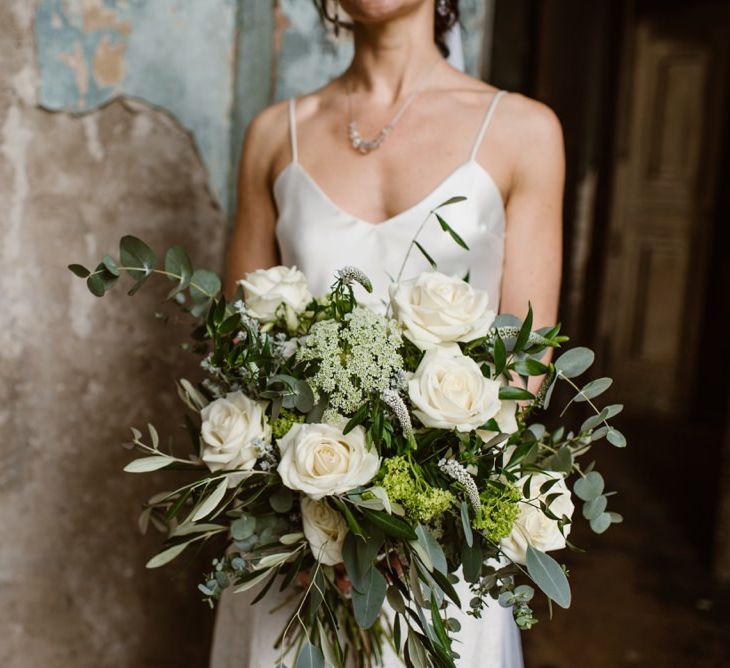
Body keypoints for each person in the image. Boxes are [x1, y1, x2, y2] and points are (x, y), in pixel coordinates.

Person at [211, 1, 564, 665]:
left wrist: (408, 521)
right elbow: (242, 354)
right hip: (296, 542)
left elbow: (524, 368)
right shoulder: (274, 135)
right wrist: (317, 511)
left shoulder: (523, 131)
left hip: (439, 545)